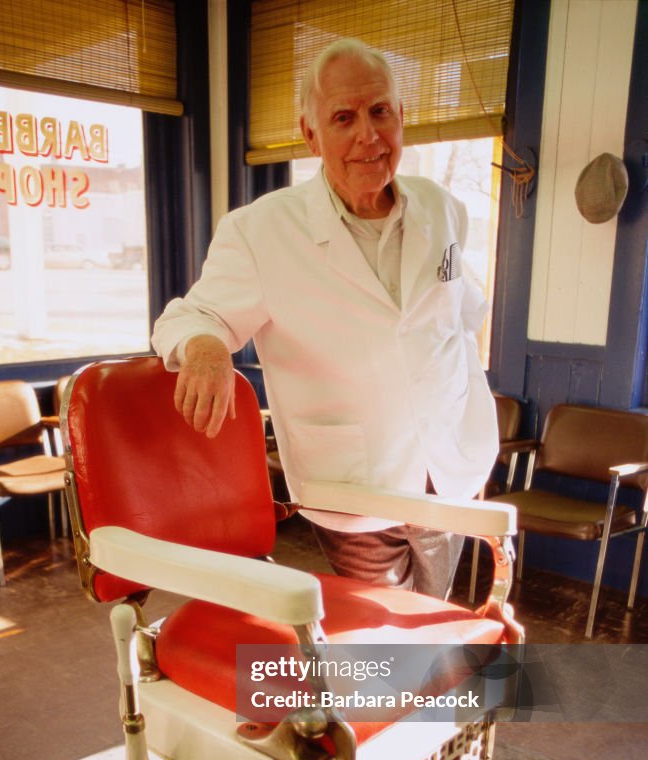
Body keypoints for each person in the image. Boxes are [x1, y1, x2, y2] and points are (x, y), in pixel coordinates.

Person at [151, 37, 499, 600]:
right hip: (356, 481)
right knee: (382, 634)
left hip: (449, 469)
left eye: (379, 111)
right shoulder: (260, 230)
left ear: (401, 117)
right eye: (344, 117)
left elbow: (461, 313)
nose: (368, 134)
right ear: (312, 134)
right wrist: (207, 346)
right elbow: (194, 315)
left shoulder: (442, 208)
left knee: (434, 622)